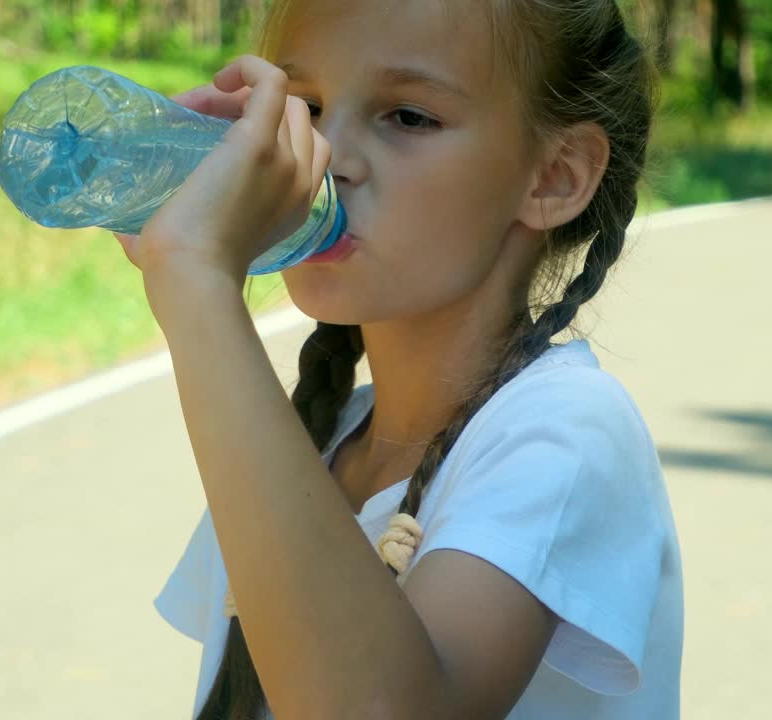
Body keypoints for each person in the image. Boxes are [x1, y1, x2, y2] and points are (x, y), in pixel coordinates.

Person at [117, 1, 683, 718]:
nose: (328, 158)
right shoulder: (310, 447)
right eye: (307, 106)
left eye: (408, 117)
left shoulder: (567, 430)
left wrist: (198, 285)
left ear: (556, 176)